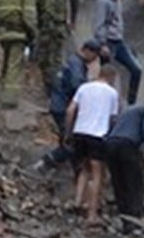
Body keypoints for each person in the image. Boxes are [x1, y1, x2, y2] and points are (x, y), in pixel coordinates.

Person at [65, 64, 120, 226]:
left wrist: (68, 132)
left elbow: (70, 110)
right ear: (111, 77)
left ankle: (77, 202)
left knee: (83, 169)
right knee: (97, 175)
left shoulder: (84, 87)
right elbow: (113, 118)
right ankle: (92, 215)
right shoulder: (112, 93)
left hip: (79, 132)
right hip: (98, 135)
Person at [38, 39, 105, 171]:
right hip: (63, 106)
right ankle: (45, 163)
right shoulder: (76, 65)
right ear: (87, 51)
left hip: (58, 103)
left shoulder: (73, 61)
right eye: (95, 56)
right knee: (71, 142)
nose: (94, 61)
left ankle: (69, 168)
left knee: (67, 138)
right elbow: (77, 86)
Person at [103, 97, 144, 220]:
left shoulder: (128, 110)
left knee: (119, 182)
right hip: (127, 146)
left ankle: (123, 216)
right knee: (134, 182)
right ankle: (135, 218)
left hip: (111, 143)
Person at [92, 0, 144, 105]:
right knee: (108, 75)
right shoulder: (103, 1)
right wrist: (102, 44)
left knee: (136, 70)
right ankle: (105, 103)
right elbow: (99, 24)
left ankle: (131, 102)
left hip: (119, 41)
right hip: (107, 42)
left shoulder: (118, 0)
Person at [31, 0, 70, 93]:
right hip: (61, 28)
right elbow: (66, 7)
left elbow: (48, 12)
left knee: (46, 62)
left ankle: (51, 91)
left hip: (50, 29)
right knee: (58, 61)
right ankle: (60, 90)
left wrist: (42, 30)